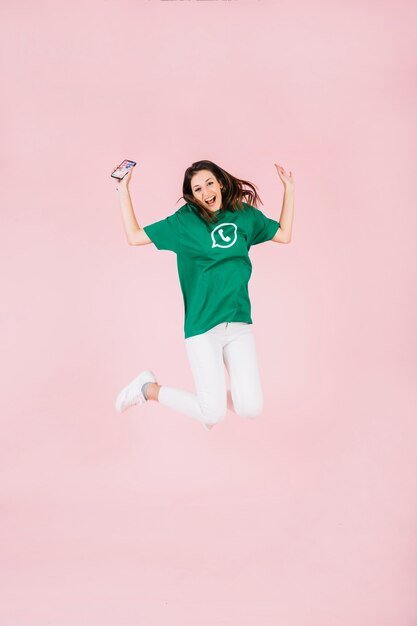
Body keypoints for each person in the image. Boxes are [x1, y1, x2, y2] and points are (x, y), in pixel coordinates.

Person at [113, 159, 294, 430]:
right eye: (197, 189)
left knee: (251, 408)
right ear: (192, 195)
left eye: (209, 183)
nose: (205, 192)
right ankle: (148, 389)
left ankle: (209, 403)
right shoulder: (185, 222)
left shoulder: (244, 215)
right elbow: (135, 236)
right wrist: (123, 190)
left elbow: (283, 234)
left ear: (220, 183)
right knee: (212, 415)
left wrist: (289, 190)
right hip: (203, 327)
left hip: (239, 324)